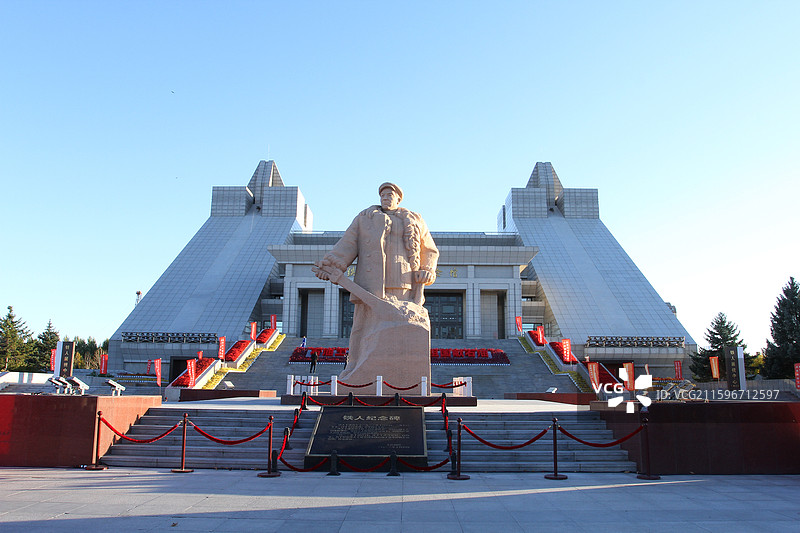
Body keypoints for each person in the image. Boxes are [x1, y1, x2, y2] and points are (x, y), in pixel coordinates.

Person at [314, 182, 438, 305]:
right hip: (369, 281)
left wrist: (427, 270)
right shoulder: (365, 218)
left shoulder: (415, 220)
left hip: (402, 277)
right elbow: (348, 243)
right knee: (369, 321)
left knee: (401, 318)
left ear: (398, 199)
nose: (385, 198)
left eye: (389, 195)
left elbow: (429, 250)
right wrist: (329, 267)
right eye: (382, 195)